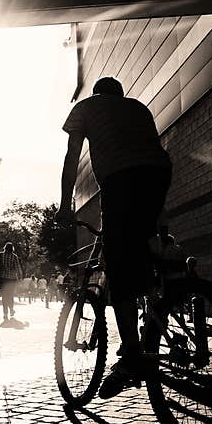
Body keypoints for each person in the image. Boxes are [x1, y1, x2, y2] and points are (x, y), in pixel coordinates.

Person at [56, 76, 173, 398]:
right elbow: (151, 146)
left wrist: (66, 206)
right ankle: (161, 295)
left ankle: (133, 358)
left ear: (97, 93)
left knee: (119, 269)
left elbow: (71, 157)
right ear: (120, 94)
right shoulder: (137, 107)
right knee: (139, 246)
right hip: (158, 173)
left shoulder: (86, 107)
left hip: (121, 179)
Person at [0, 242, 24, 321]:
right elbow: (17, 268)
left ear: (5, 248)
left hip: (2, 279)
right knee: (10, 295)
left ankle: (5, 313)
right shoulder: (14, 256)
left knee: (4, 297)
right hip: (12, 279)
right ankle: (11, 310)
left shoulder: (0, 255)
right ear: (12, 249)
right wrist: (20, 277)